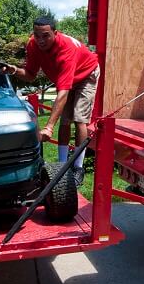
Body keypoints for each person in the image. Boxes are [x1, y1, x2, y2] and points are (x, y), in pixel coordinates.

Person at [6, 17, 99, 184]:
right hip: (68, 79)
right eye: (37, 35)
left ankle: (78, 168)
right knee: (65, 121)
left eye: (46, 36)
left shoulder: (66, 50)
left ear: (55, 33)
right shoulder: (33, 45)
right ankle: (63, 166)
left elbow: (63, 93)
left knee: (79, 119)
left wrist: (49, 127)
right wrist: (13, 70)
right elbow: (30, 75)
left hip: (86, 74)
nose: (40, 40)